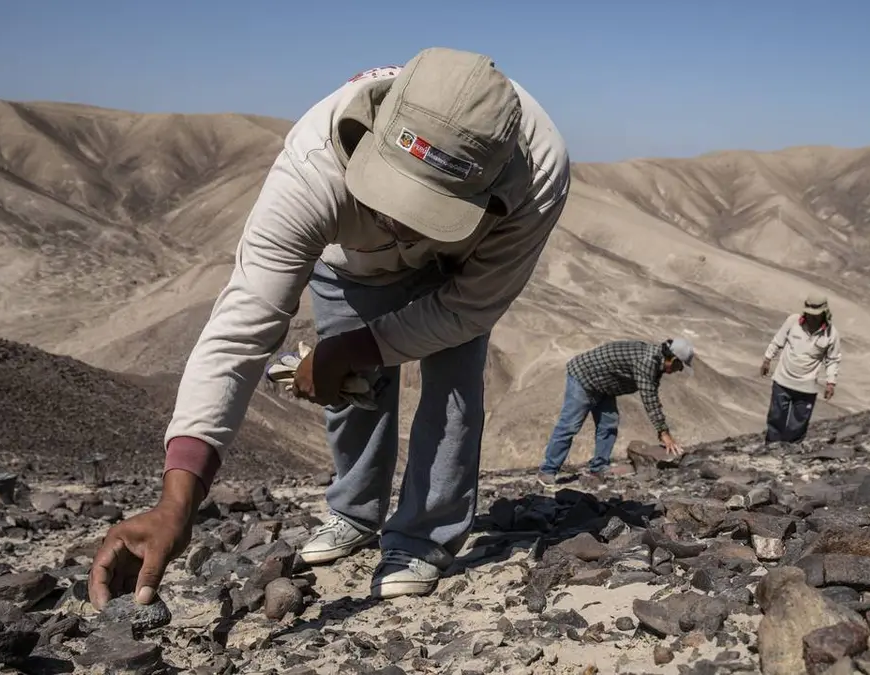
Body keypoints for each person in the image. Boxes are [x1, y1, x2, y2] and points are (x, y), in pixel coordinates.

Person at [87, 47, 571, 609]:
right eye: (392, 198)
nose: (404, 225)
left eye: (430, 211)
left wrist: (355, 347)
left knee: (453, 391)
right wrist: (177, 502)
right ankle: (355, 513)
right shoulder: (313, 166)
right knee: (351, 393)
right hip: (352, 266)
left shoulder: (539, 173)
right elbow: (240, 330)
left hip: (459, 271)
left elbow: (469, 309)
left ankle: (424, 536)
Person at [537, 337, 696, 487]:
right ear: (672, 359)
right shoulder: (647, 362)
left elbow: (652, 392)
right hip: (584, 378)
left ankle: (599, 468)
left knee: (608, 424)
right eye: (679, 366)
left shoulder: (656, 363)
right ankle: (547, 471)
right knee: (569, 426)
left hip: (604, 385)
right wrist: (663, 432)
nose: (679, 370)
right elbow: (650, 399)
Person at [759, 293, 842, 443]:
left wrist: (831, 383)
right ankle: (770, 448)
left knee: (797, 426)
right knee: (776, 419)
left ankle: (791, 451)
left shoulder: (831, 334)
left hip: (806, 387)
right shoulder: (793, 322)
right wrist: (767, 359)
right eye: (809, 313)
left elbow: (832, 360)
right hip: (782, 381)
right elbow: (778, 341)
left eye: (816, 314)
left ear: (824, 312)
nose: (812, 317)